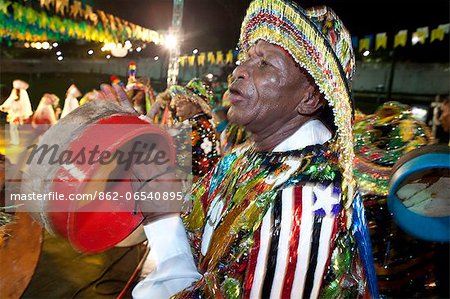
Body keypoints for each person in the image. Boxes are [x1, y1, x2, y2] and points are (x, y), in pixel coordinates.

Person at [132, 1, 378, 298]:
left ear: (310, 98)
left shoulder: (306, 200)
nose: (239, 70)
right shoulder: (239, 160)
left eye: (264, 63)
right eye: (246, 58)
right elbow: (183, 229)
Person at [169, 79, 220, 181]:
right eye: (178, 99)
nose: (177, 104)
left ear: (198, 106)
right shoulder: (203, 123)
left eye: (183, 101)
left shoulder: (195, 126)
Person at [0, 80, 33, 145]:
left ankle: (16, 141)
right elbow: (10, 101)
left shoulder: (21, 94)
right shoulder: (16, 94)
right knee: (14, 128)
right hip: (15, 114)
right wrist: (4, 106)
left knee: (14, 128)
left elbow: (12, 102)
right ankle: (15, 140)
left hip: (16, 114)